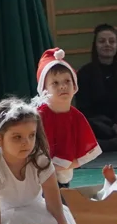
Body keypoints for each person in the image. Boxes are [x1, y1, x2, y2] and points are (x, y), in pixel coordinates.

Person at [35, 48, 100, 187]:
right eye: (55, 83)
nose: (63, 86)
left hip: (63, 177)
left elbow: (83, 153)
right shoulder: (37, 117)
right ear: (44, 89)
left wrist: (64, 166)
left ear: (75, 85)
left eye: (67, 81)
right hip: (36, 178)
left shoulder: (76, 117)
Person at [75, 24, 117, 154]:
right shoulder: (84, 73)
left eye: (112, 41)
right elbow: (84, 108)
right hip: (97, 125)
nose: (107, 44)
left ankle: (110, 144)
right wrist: (109, 125)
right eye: (102, 41)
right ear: (95, 45)